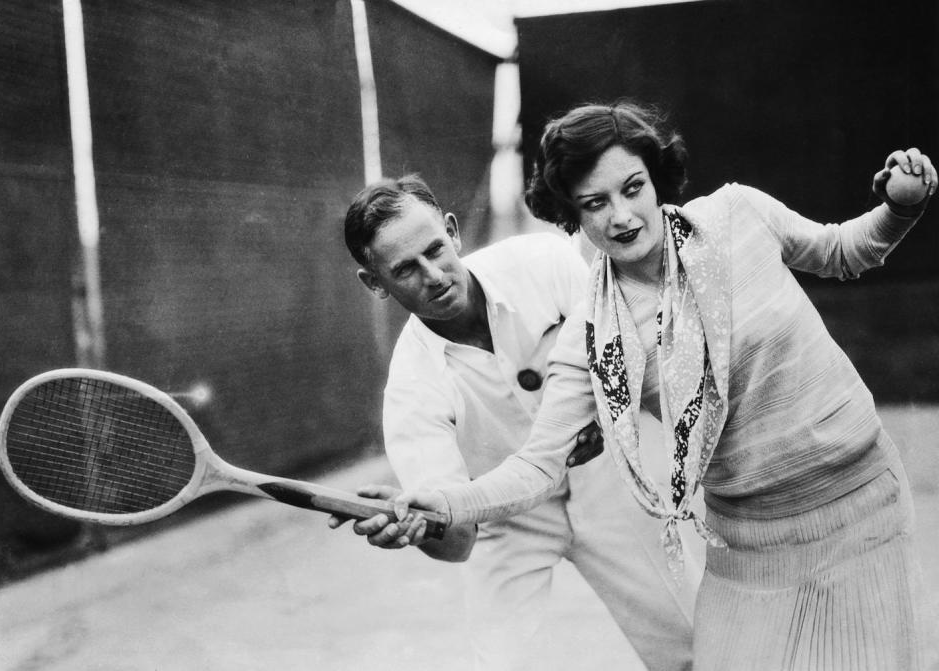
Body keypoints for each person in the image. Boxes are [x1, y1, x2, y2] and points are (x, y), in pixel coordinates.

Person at [393, 101, 936, 669]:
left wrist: (901, 206)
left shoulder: (737, 213)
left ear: (656, 179)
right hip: (750, 538)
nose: (621, 216)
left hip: (859, 497)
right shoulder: (589, 335)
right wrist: (446, 501)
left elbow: (843, 252)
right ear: (572, 215)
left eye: (632, 188)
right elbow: (538, 464)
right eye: (594, 203)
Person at [332, 174, 699, 671]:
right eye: (405, 270)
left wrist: (608, 414)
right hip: (509, 522)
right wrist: (417, 525)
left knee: (695, 646)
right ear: (375, 284)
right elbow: (457, 539)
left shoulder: (542, 263)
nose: (434, 275)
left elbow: (627, 354)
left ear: (453, 230)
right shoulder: (410, 391)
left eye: (435, 250)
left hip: (613, 487)